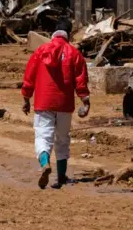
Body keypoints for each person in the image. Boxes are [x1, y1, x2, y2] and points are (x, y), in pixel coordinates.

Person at [21, 19, 90, 189]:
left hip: (43, 102)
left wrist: (26, 99)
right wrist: (86, 101)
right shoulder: (74, 54)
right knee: (62, 140)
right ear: (69, 34)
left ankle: (45, 163)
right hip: (65, 104)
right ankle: (60, 177)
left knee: (43, 136)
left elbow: (29, 78)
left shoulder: (40, 51)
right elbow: (80, 81)